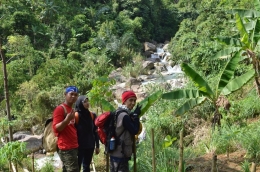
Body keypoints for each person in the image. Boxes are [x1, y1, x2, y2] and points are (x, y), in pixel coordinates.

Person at [109, 90, 142, 172]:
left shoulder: (118, 111)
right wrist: (136, 115)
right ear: (124, 101)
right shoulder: (124, 115)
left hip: (115, 152)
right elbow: (134, 130)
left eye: (134, 100)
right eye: (130, 100)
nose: (133, 103)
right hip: (120, 154)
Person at [52, 86, 79, 172]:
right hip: (66, 147)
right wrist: (66, 120)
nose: (73, 96)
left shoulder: (71, 109)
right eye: (71, 94)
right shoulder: (60, 109)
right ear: (65, 94)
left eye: (76, 95)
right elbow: (56, 128)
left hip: (73, 145)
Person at [75, 95, 100, 172]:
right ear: (79, 103)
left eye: (87, 101)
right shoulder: (76, 115)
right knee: (77, 166)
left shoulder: (92, 115)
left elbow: (95, 131)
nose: (87, 103)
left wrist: (97, 145)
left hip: (90, 145)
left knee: (86, 166)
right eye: (84, 102)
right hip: (79, 146)